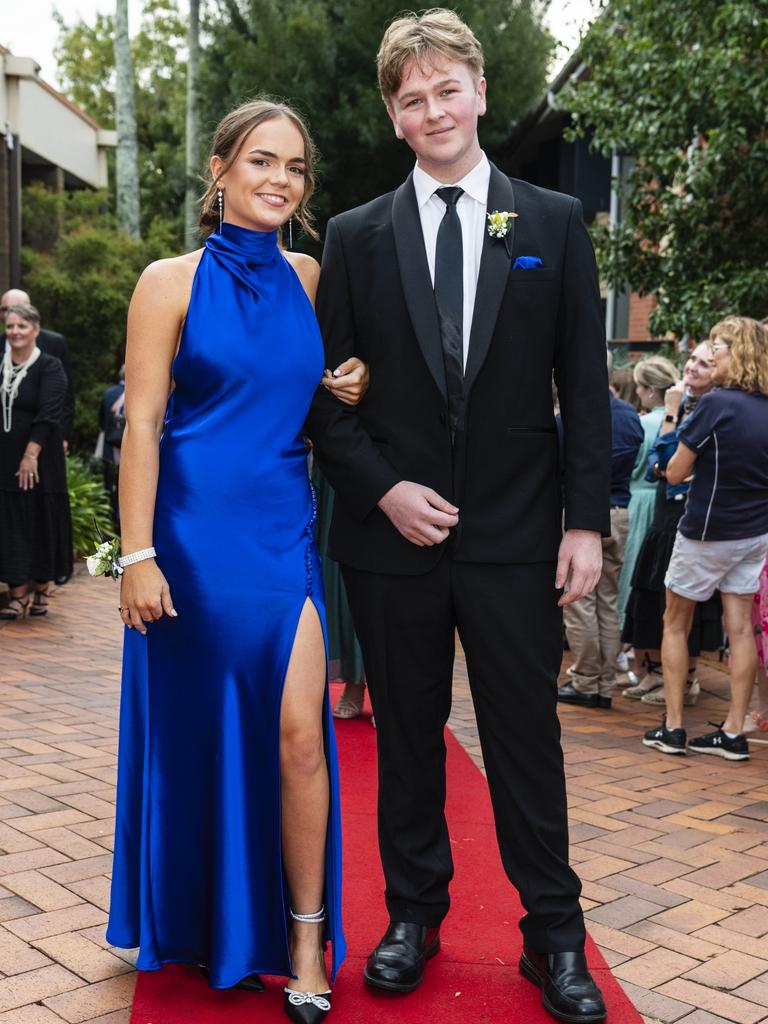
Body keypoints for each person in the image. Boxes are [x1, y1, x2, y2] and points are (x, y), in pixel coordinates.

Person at [307, 11, 610, 1022]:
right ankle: (412, 916)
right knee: (406, 737)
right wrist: (383, 490)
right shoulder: (351, 237)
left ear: (478, 92)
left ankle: (553, 937)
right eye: (411, 97)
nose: (432, 110)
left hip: (520, 537)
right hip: (394, 543)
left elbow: (585, 380)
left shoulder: (554, 223)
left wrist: (584, 521)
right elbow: (321, 393)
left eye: (447, 89)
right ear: (395, 118)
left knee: (528, 738)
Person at [106, 99, 371, 1023]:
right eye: (262, 161)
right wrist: (136, 554)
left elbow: (334, 374)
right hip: (189, 535)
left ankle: (304, 934)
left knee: (301, 734)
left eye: (295, 167)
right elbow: (139, 424)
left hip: (280, 532)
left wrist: (350, 376)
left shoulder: (309, 273)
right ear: (219, 168)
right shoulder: (166, 282)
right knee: (196, 737)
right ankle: (197, 920)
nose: (281, 180)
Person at [644, 316, 768, 760]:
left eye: (720, 345)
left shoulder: (718, 404)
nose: (713, 352)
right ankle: (733, 731)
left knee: (676, 622)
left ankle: (673, 727)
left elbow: (675, 471)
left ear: (740, 354)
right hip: (754, 533)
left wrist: (674, 420)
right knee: (740, 630)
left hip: (707, 530)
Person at [621, 342, 722, 702]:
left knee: (685, 603)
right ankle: (655, 672)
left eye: (705, 363)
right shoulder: (684, 406)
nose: (693, 367)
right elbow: (656, 464)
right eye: (692, 359)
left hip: (691, 516)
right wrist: (671, 422)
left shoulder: (712, 408)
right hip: (665, 513)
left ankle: (684, 679)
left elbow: (676, 468)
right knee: (649, 595)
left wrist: (669, 461)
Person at [558, 352, 643, 708]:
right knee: (607, 602)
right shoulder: (629, 417)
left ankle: (587, 679)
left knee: (579, 603)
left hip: (581, 516)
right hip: (620, 513)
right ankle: (607, 681)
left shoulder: (570, 418)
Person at [0, 304, 72, 618]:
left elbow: (49, 412)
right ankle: (17, 595)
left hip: (41, 461)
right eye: (10, 326)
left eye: (22, 326)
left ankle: (41, 589)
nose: (15, 332)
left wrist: (31, 455)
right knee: (10, 521)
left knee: (39, 518)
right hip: (4, 461)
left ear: (36, 330)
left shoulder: (50, 366)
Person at [616, 356, 680, 627]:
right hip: (662, 502)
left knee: (632, 569)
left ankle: (627, 628)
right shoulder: (675, 421)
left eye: (640, 387)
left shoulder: (642, 424)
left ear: (651, 390)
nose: (638, 392)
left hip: (638, 500)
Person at [1, 289, 75, 446]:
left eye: (17, 307)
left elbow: (66, 395)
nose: (11, 312)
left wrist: (63, 435)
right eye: (5, 309)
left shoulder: (54, 344)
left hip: (44, 439)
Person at [99, 366, 126, 528]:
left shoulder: (109, 393)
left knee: (110, 488)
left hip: (110, 450)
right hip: (129, 453)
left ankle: (111, 523)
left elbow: (101, 423)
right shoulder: (140, 395)